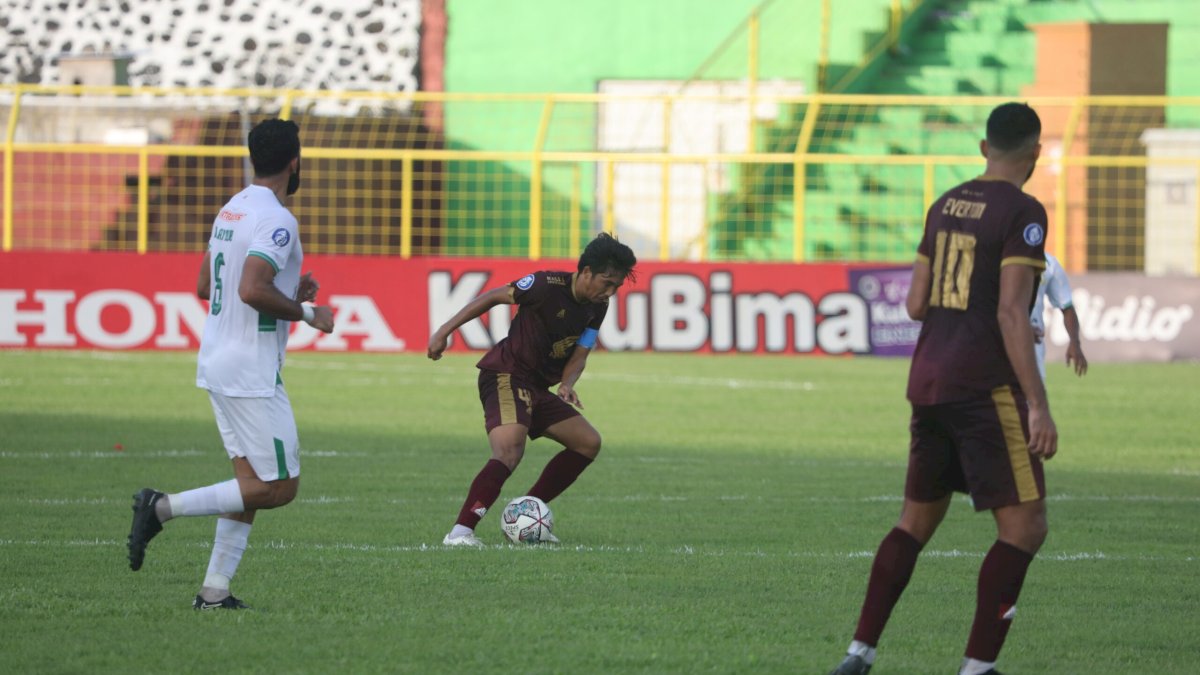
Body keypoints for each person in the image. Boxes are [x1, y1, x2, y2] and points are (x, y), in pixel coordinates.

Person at [830, 103, 1058, 675]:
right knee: (1026, 527)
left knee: (915, 522)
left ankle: (859, 654)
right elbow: (1010, 312)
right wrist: (1037, 404)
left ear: (984, 149)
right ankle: (978, 668)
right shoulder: (1024, 211)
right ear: (1035, 153)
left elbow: (913, 303)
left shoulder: (944, 203)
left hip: (929, 379)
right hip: (984, 387)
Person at [126, 118, 336, 609]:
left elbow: (206, 286)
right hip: (250, 371)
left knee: (248, 487)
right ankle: (160, 508)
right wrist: (308, 312)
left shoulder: (233, 209)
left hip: (219, 360)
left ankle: (214, 592)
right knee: (279, 488)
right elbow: (250, 288)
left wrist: (286, 291)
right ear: (295, 162)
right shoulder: (278, 219)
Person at [428, 233, 637, 546]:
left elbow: (581, 352)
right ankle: (460, 532)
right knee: (509, 448)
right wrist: (444, 331)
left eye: (617, 287)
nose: (610, 292)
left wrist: (567, 384)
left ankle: (525, 515)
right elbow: (492, 297)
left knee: (587, 443)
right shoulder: (544, 285)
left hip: (537, 387)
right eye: (607, 283)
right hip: (506, 375)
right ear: (586, 272)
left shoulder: (598, 307)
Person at [1031, 252, 1087, 380]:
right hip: (997, 340)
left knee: (1034, 396)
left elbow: (1066, 306)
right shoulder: (995, 258)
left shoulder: (1049, 264)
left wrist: (1075, 342)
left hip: (1033, 344)